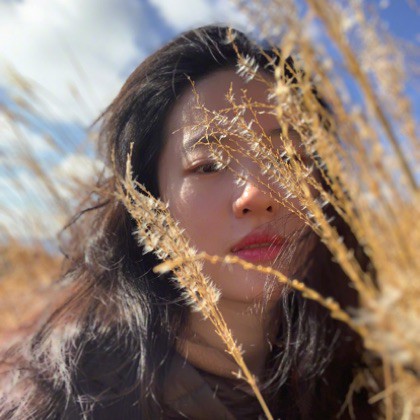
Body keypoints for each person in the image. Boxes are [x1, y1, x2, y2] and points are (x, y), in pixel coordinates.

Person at [1, 26, 375, 419]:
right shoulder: (71, 401)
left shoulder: (366, 372)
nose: (258, 194)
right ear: (148, 198)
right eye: (208, 165)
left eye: (288, 158)